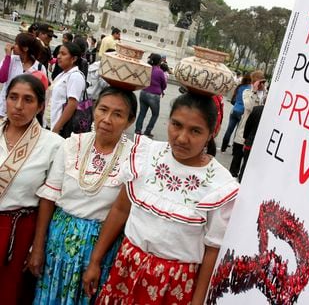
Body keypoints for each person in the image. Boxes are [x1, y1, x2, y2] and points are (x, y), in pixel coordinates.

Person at [83, 92, 239, 304]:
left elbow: (212, 250)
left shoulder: (219, 186)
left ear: (213, 132)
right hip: (126, 268)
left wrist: (198, 301)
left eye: (195, 131)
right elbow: (121, 210)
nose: (182, 138)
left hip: (173, 284)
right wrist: (95, 261)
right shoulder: (145, 155)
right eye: (176, 124)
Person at [29, 86, 137, 304]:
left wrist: (96, 260)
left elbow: (123, 211)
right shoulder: (72, 144)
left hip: (102, 249)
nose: (107, 119)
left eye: (118, 114)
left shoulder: (134, 157)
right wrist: (38, 247)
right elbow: (49, 197)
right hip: (58, 243)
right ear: (93, 110)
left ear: (130, 120)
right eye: (103, 110)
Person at [0, 74, 63, 304]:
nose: (18, 106)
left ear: (40, 107)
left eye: (28, 100)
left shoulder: (53, 145)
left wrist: (37, 247)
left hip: (16, 231)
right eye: (13, 97)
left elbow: (49, 200)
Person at [229, 70, 266, 178]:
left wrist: (264, 93)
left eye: (263, 82)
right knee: (238, 155)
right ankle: (233, 175)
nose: (261, 85)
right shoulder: (247, 92)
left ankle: (242, 178)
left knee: (247, 160)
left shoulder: (265, 94)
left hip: (255, 130)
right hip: (244, 128)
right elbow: (250, 107)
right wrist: (254, 91)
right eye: (260, 82)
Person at [45, 42, 86, 137]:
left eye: (63, 54)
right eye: (59, 53)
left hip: (61, 129)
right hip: (50, 124)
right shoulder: (62, 74)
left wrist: (57, 128)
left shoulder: (75, 76)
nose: (58, 56)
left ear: (74, 59)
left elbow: (72, 104)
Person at [0, 33, 46, 117]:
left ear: (25, 48)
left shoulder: (39, 68)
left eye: (17, 44)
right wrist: (7, 56)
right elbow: (2, 78)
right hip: (4, 108)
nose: (14, 46)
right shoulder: (11, 59)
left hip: (24, 112)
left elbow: (41, 92)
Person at [134, 53, 167, 137]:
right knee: (155, 114)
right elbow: (164, 84)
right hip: (154, 95)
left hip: (144, 92)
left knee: (142, 113)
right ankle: (148, 131)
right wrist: (161, 89)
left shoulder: (148, 68)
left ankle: (138, 130)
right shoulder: (160, 71)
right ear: (159, 61)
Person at [221, 74, 251, 152]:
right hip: (242, 112)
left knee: (229, 130)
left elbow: (233, 99)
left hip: (234, 110)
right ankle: (234, 149)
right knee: (238, 131)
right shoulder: (249, 89)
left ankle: (223, 148)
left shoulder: (239, 87)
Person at [238, 104, 265, 182]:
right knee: (254, 167)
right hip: (261, 146)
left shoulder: (257, 109)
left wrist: (245, 138)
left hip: (250, 142)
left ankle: (240, 181)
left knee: (245, 163)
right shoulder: (274, 114)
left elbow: (248, 125)